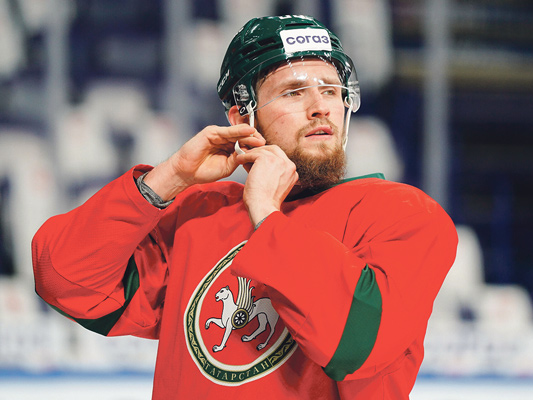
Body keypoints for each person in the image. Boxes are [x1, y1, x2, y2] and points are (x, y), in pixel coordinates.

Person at [32, 15, 457, 399]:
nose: (321, 107)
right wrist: (168, 178)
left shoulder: (402, 214)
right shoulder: (200, 215)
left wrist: (268, 216)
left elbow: (357, 343)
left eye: (331, 90)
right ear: (242, 119)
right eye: (294, 92)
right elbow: (65, 281)